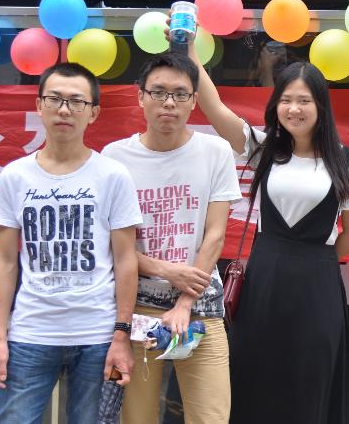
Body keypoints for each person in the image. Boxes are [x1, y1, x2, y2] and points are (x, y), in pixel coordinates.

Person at [182, 39, 349, 422]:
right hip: (264, 281)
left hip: (318, 287)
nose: (294, 109)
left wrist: (315, 261)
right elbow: (215, 109)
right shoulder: (265, 148)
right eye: (286, 100)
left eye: (304, 101)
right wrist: (190, 54)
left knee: (311, 378)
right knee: (258, 376)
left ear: (321, 106)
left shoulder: (346, 160)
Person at [0, 62, 142, 423]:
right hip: (30, 333)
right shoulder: (15, 176)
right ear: (39, 106)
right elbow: (4, 261)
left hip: (99, 336)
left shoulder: (113, 176)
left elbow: (125, 260)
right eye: (54, 99)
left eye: (76, 101)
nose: (65, 110)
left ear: (93, 112)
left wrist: (121, 336)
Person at [101, 53, 241, 423]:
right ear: (140, 96)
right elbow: (114, 244)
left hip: (200, 306)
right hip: (133, 308)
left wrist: (184, 301)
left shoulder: (215, 151)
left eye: (180, 94)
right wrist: (165, 269)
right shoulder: (114, 158)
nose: (169, 102)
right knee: (135, 416)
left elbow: (215, 234)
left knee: (211, 416)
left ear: (194, 101)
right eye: (158, 92)